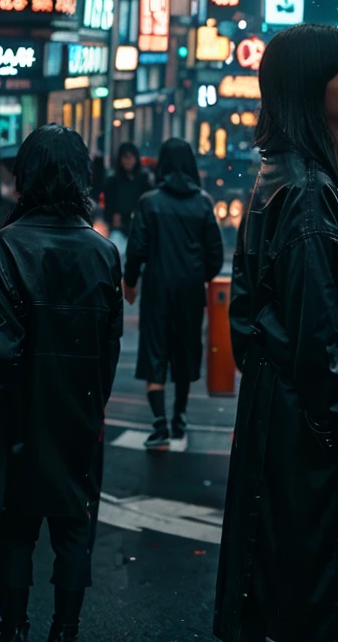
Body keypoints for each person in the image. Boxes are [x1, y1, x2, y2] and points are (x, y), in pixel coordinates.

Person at [214, 25, 338, 642]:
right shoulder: (312, 194)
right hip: (315, 441)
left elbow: (257, 322)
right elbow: (318, 330)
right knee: (318, 603)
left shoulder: (283, 179)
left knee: (288, 591)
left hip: (290, 426)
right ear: (307, 90)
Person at [0, 124, 122, 642]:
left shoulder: (6, 246)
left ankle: (13, 630)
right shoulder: (103, 253)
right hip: (81, 411)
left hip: (20, 416)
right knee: (74, 530)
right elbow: (108, 348)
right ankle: (65, 631)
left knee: (16, 531)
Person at [123, 138, 224, 449]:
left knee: (155, 353)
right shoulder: (203, 202)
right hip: (191, 292)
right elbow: (215, 255)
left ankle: (159, 425)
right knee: (185, 352)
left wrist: (130, 282)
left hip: (157, 288)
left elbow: (136, 249)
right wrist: (198, 276)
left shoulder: (149, 202)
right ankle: (180, 416)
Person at [103, 142, 152, 260]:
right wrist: (111, 218)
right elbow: (108, 204)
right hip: (119, 227)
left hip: (138, 227)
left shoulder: (144, 181)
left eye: (131, 158)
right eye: (125, 158)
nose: (128, 161)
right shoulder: (113, 181)